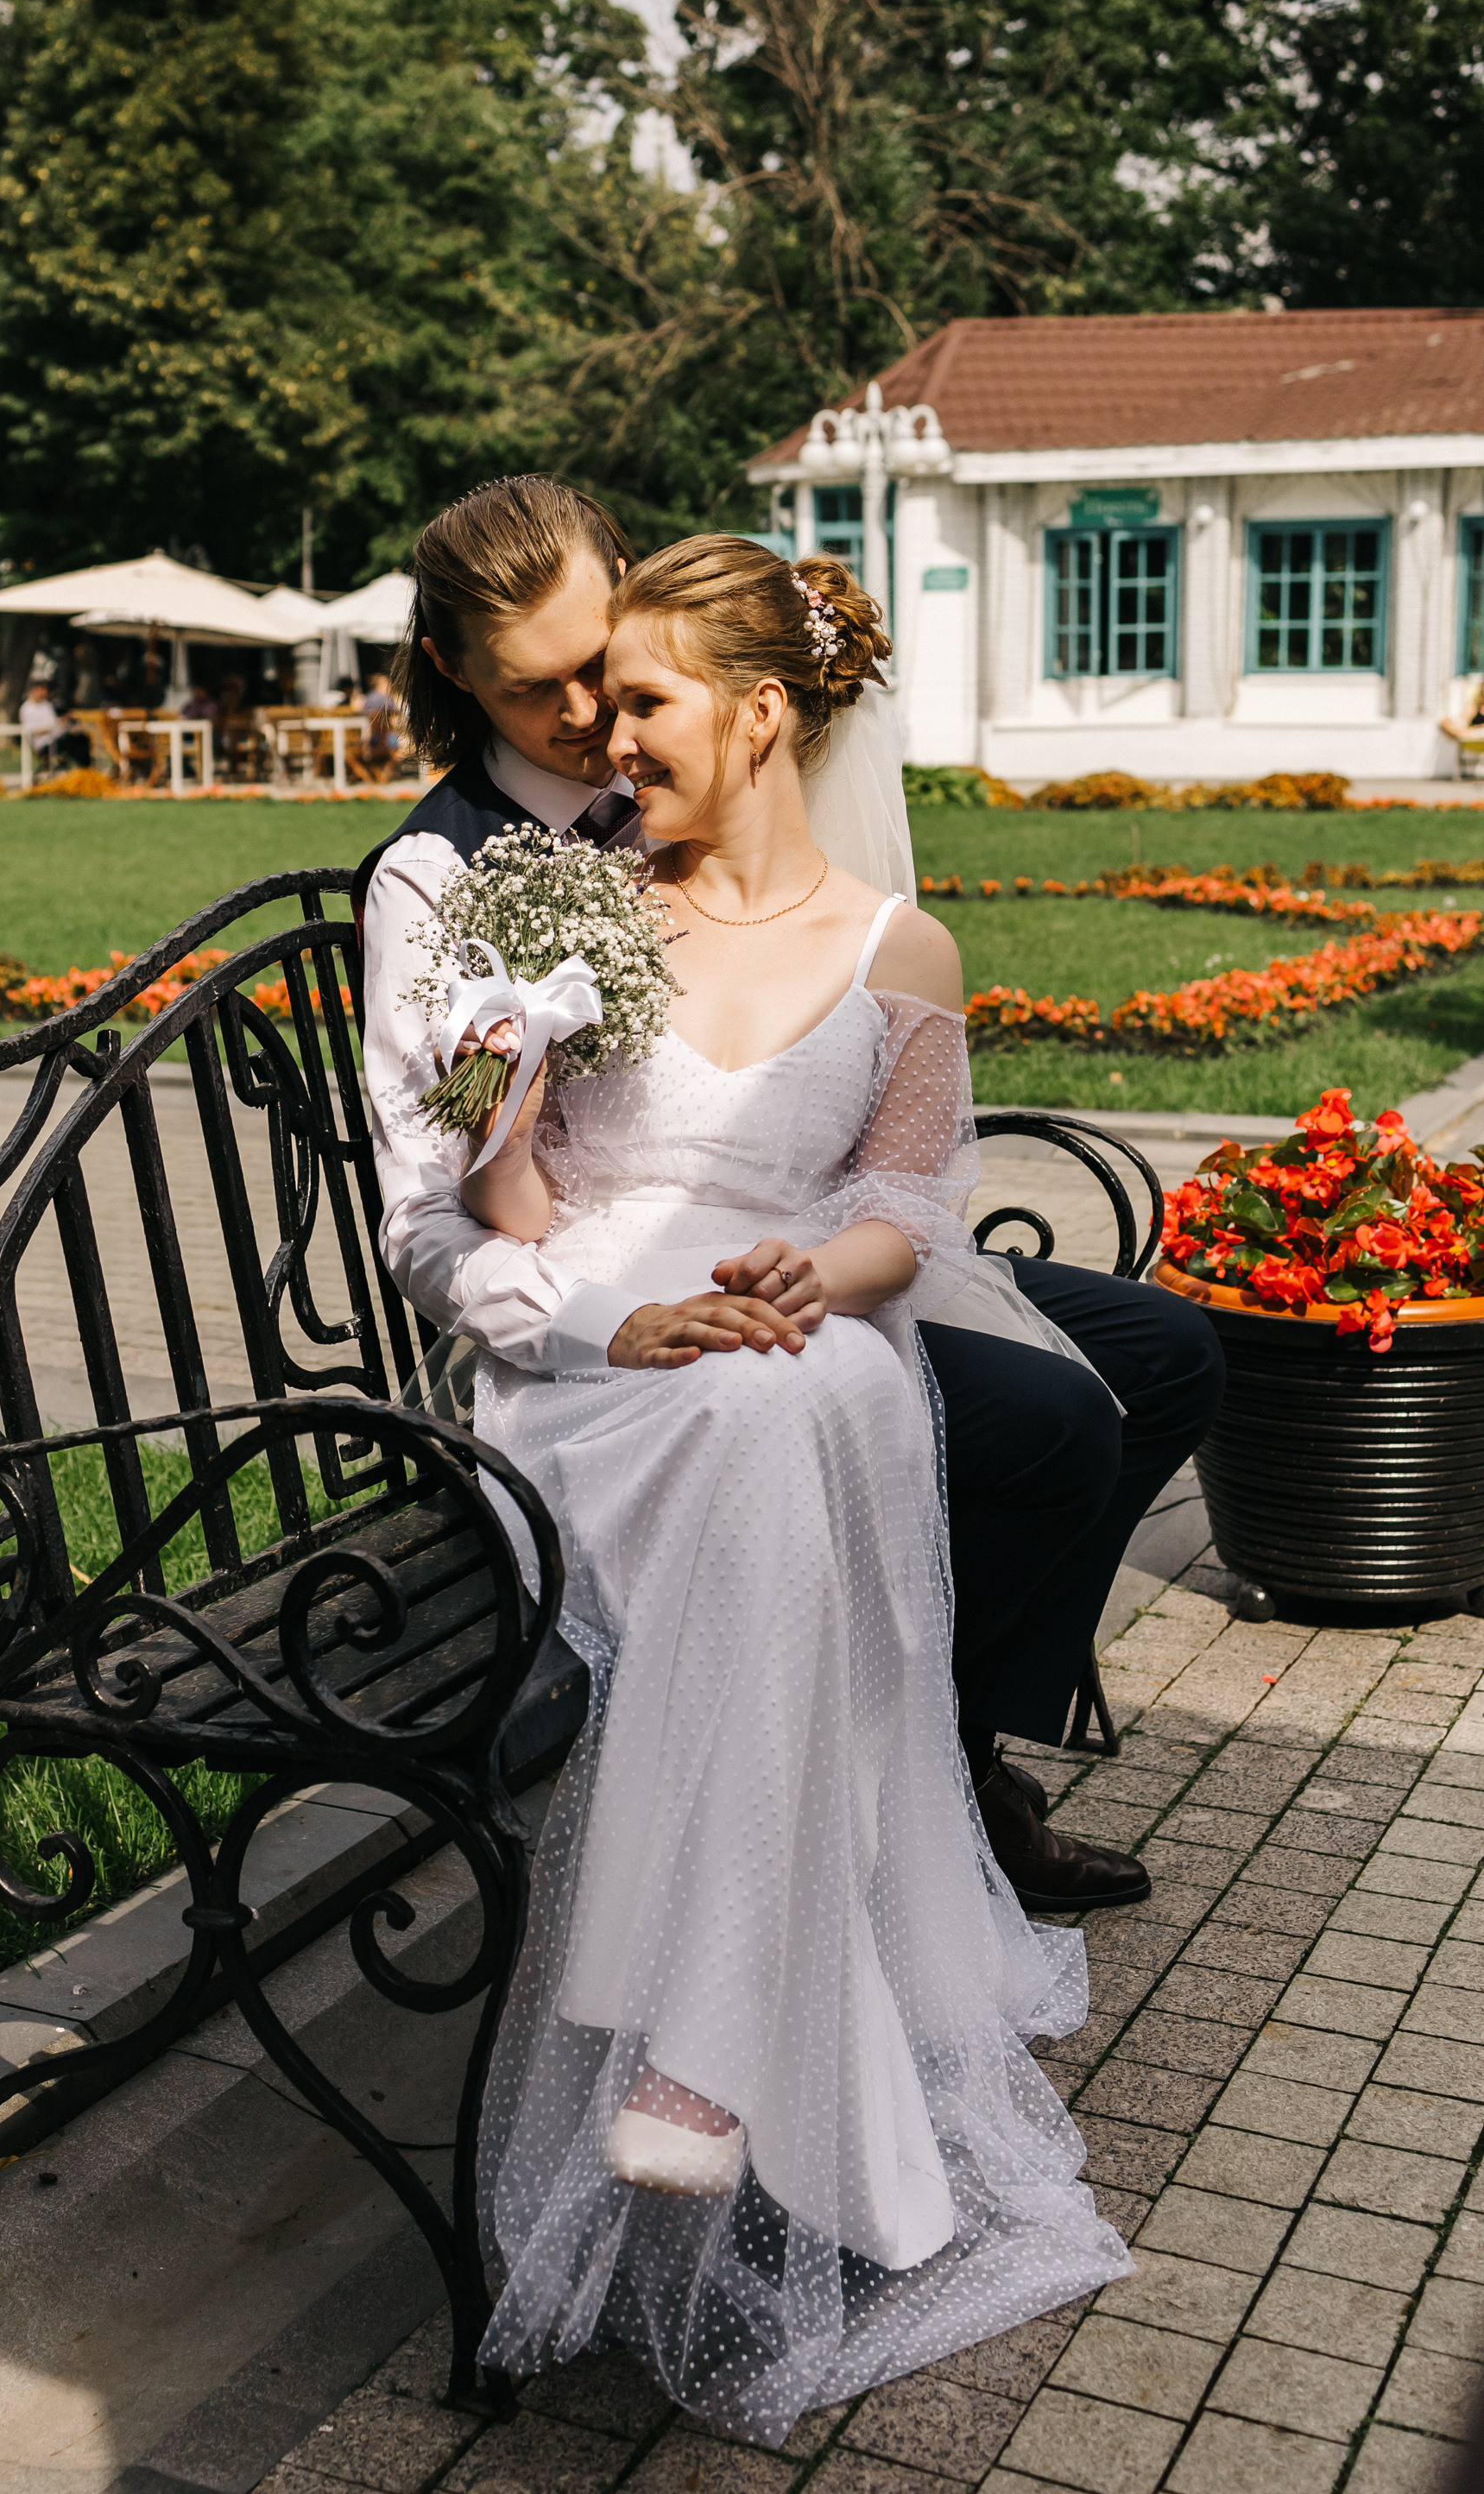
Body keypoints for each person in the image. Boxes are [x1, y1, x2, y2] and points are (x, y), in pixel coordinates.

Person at [388, 535, 1133, 2437]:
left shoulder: (900, 953)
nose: (601, 739)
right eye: (593, 704)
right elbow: (503, 1216)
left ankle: (702, 2045)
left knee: (801, 1397)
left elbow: (900, 1206)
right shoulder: (567, 912)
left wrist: (829, 1275)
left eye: (635, 702)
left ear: (758, 711)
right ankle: (712, 2042)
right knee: (760, 1416)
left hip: (799, 1331)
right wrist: (507, 1091)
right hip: (597, 1364)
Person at [356, 478, 1224, 1912]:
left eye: (606, 670)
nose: (589, 720)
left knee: (1164, 1351)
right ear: (454, 675)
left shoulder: (675, 763)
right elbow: (428, 1211)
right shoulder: (442, 886)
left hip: (787, 1222)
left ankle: (938, 1728)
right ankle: (932, 1775)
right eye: (537, 691)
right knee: (1052, 1419)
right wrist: (602, 1319)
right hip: (611, 1292)